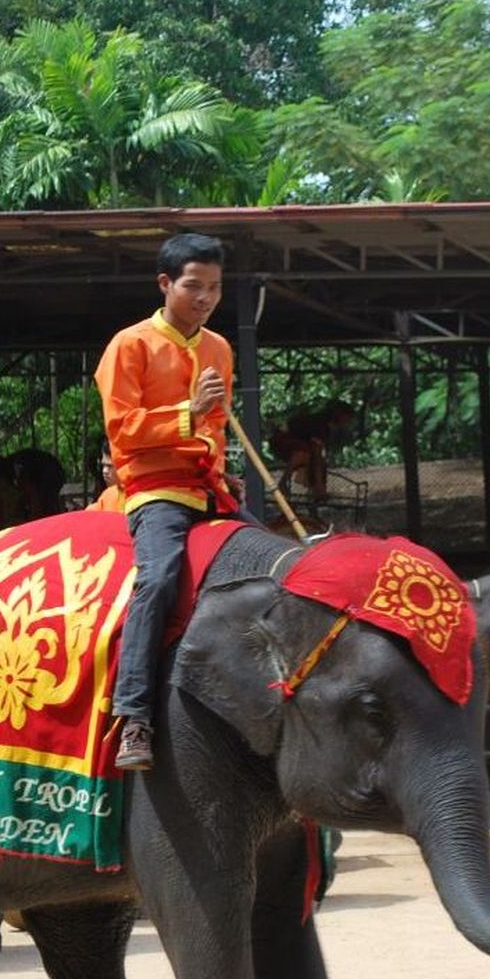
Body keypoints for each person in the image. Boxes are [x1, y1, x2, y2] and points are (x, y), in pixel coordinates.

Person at [95, 232, 248, 771]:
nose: (205, 297)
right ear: (165, 284)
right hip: (154, 489)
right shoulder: (129, 344)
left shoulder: (220, 349)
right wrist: (187, 413)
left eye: (214, 288)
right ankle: (134, 715)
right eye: (193, 286)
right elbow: (123, 430)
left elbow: (217, 430)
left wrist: (220, 467)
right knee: (158, 577)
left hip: (209, 487)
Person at [269, 400, 357, 504]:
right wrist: (319, 482)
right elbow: (316, 452)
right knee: (305, 455)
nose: (347, 422)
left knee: (318, 462)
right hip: (282, 440)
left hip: (296, 443)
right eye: (347, 418)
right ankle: (284, 482)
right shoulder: (320, 424)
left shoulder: (328, 427)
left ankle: (313, 494)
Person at [87, 445, 124, 512]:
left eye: (110, 466)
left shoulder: (140, 496)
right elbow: (88, 515)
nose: (105, 471)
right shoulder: (108, 495)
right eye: (103, 465)